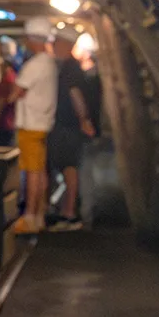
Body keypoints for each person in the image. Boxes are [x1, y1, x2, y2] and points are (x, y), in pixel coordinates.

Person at [5, 17, 59, 233]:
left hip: (31, 124)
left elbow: (14, 94)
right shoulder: (49, 63)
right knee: (41, 170)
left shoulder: (34, 65)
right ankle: (39, 215)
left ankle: (29, 216)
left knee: (32, 172)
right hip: (43, 123)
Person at [46, 29, 96, 230]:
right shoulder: (68, 67)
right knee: (68, 167)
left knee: (69, 168)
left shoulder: (70, 68)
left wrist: (83, 119)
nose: (55, 46)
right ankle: (67, 211)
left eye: (57, 42)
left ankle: (69, 214)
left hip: (68, 126)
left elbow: (75, 95)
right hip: (66, 125)